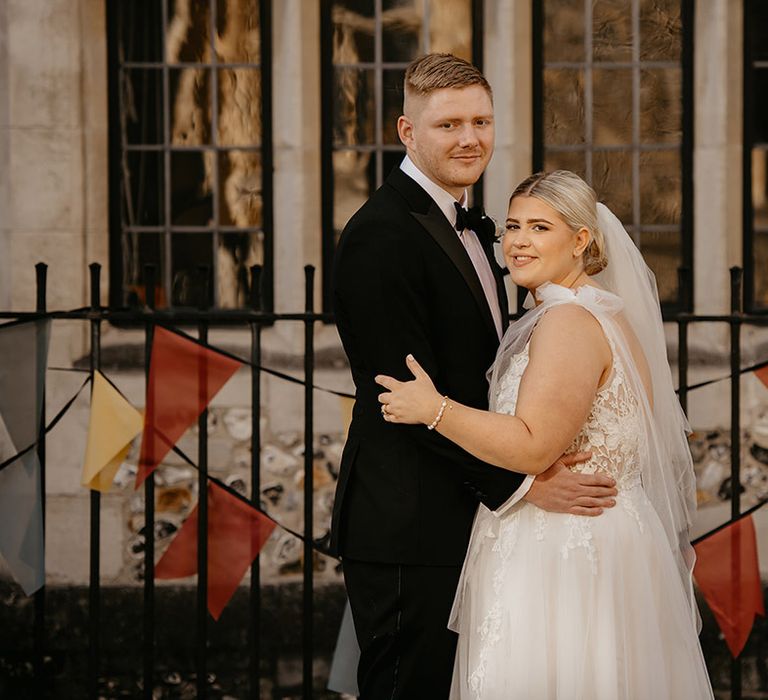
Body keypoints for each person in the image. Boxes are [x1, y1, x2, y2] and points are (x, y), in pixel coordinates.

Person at [330, 54, 619, 699]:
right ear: (407, 132)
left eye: (481, 121)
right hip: (412, 523)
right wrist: (522, 485)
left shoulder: (484, 226)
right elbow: (401, 399)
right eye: (448, 124)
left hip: (471, 519)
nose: (469, 139)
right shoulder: (380, 236)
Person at [376, 170, 715, 699]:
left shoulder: (569, 322)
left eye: (540, 227)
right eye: (512, 226)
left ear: (581, 240)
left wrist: (434, 409)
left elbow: (535, 444)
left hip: (562, 550)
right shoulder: (599, 312)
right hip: (593, 535)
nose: (518, 241)